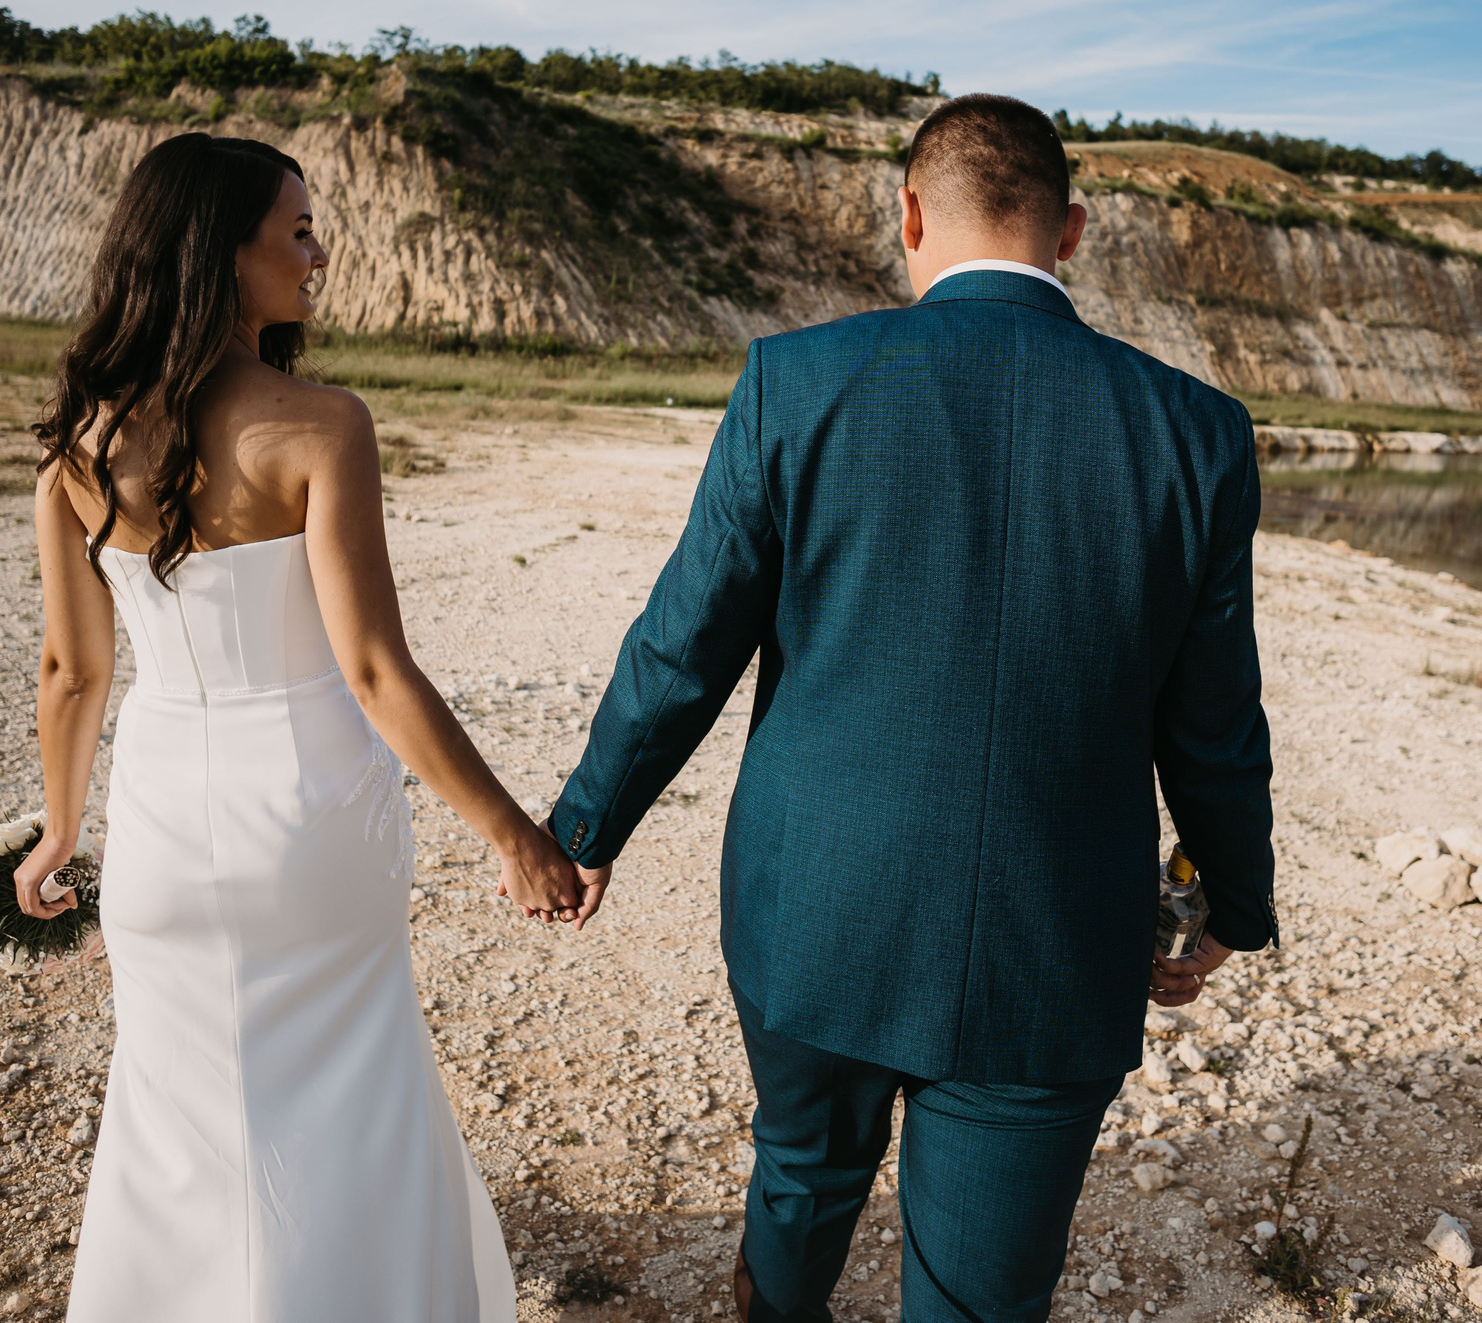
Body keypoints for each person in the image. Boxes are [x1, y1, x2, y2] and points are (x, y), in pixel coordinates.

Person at [547, 94, 1277, 1323]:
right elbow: (1213, 725)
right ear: (1074, 232)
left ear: (906, 216)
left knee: (802, 1174)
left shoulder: (798, 382)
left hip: (817, 908)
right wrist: (1225, 903)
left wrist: (582, 832)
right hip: (1053, 941)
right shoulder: (1194, 431)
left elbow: (683, 649)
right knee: (983, 1292)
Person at [16, 132, 583, 1322]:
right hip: (315, 817)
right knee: (350, 1093)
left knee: (174, 1111)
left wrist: (58, 835)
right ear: (222, 256)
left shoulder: (78, 447)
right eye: (298, 231)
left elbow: (73, 672)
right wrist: (513, 836)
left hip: (165, 821)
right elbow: (375, 670)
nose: (319, 253)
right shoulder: (322, 425)